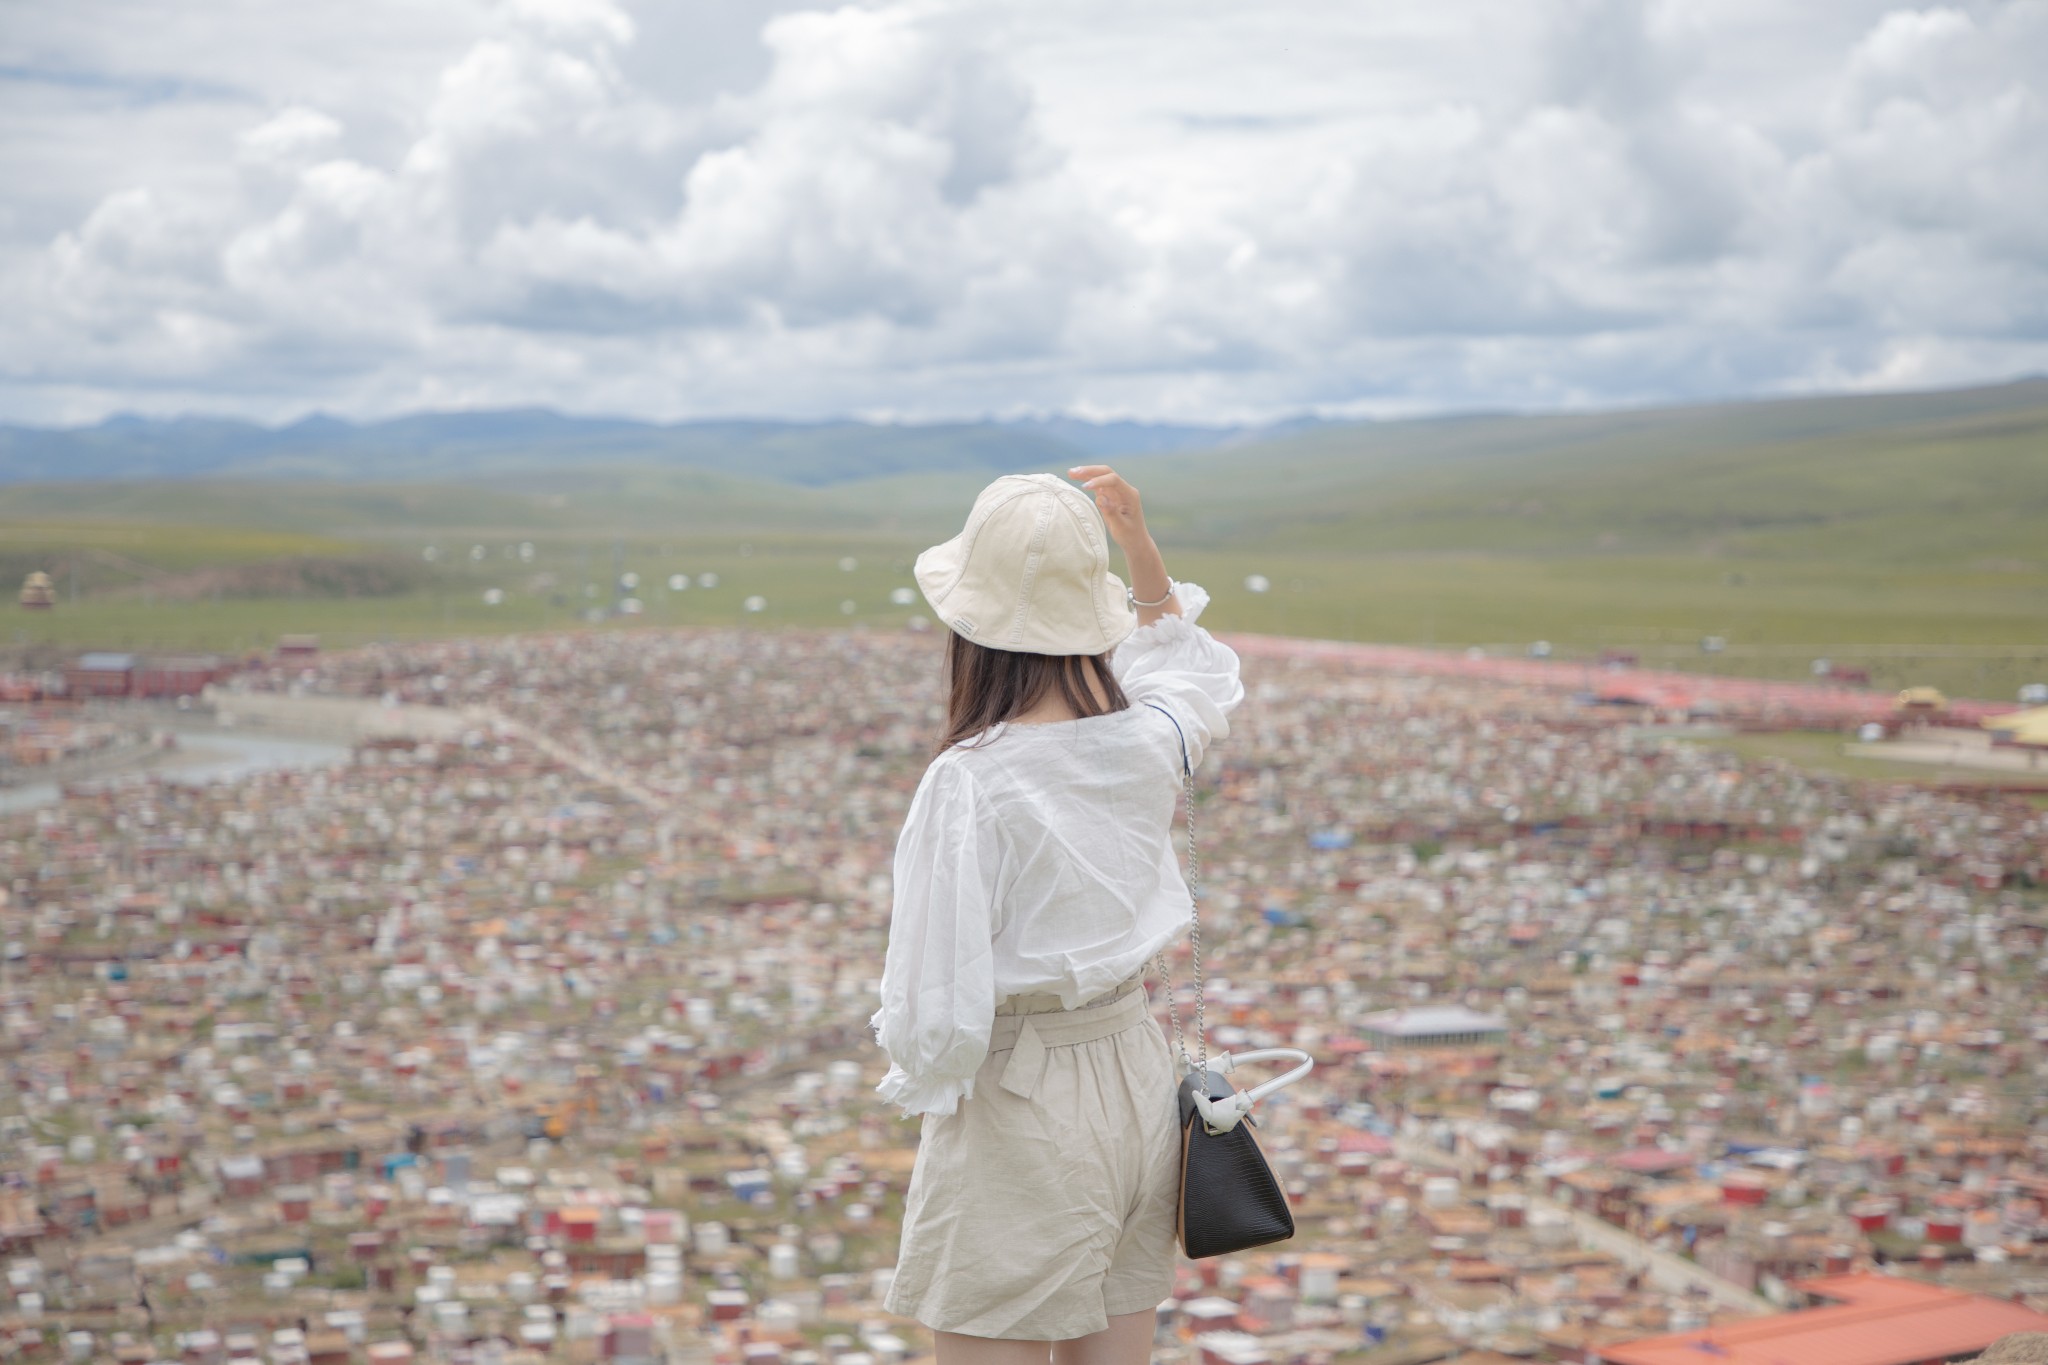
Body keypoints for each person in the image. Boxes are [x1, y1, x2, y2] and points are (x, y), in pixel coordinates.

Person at [870, 465, 1245, 1365]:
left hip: (1020, 1084)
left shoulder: (970, 779)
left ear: (972, 626)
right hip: (1137, 1067)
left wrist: (932, 1085)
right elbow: (1187, 674)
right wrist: (1140, 550)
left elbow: (935, 994)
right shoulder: (1150, 737)